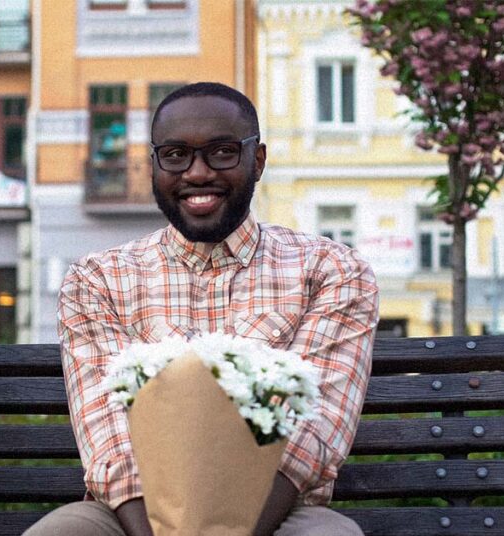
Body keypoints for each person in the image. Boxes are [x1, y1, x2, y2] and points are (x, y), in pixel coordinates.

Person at [25, 82, 379, 536]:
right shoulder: (98, 279)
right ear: (155, 164)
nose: (196, 173)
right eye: (175, 155)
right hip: (129, 515)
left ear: (259, 160)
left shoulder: (331, 271)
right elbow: (108, 436)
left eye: (222, 152)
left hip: (280, 511)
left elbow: (312, 432)